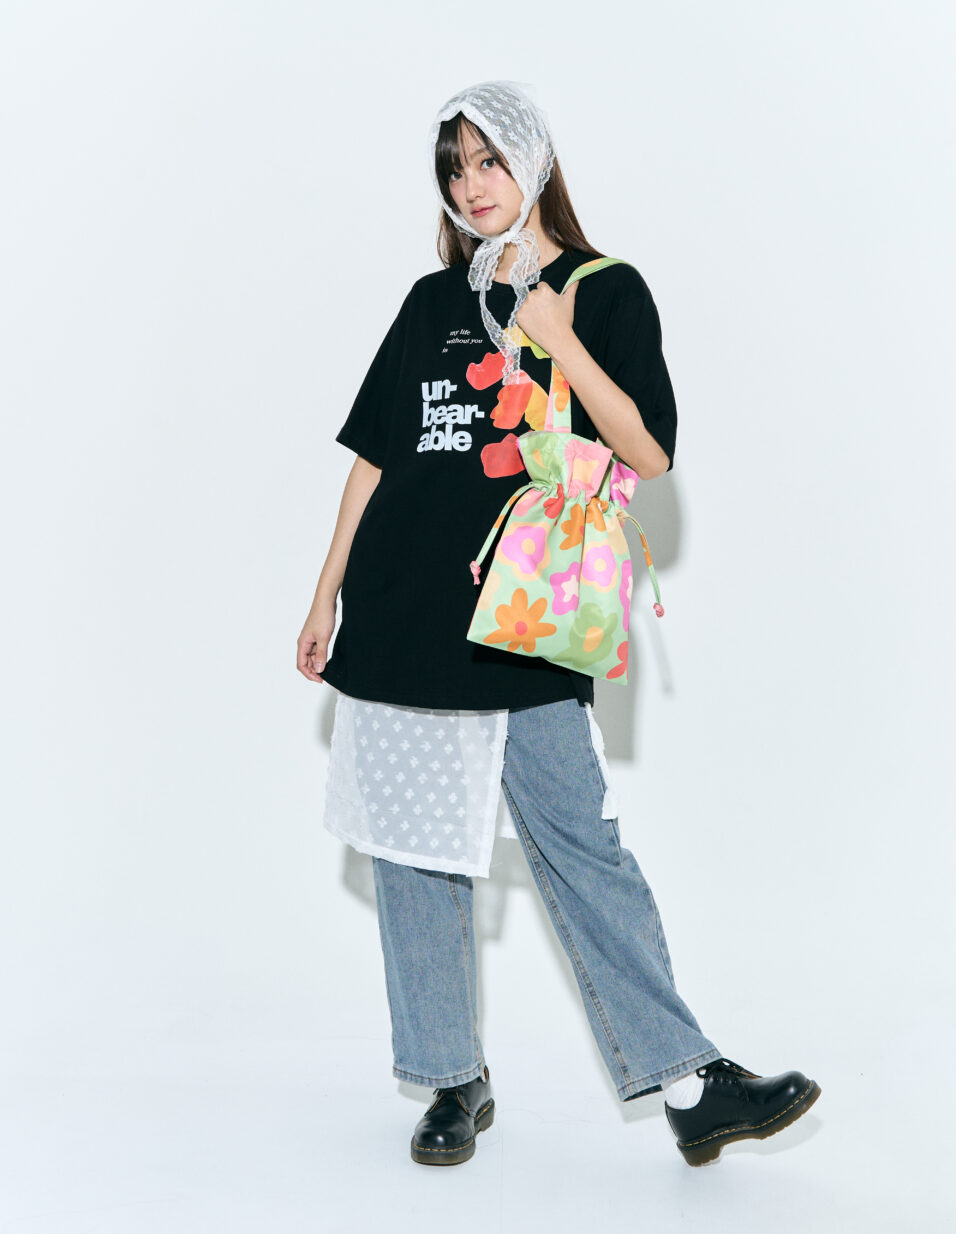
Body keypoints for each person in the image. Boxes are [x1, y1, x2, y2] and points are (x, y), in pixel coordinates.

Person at [297, 79, 821, 1168]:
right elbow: (376, 456)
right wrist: (324, 590)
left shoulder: (605, 289)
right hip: (399, 612)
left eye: (489, 161)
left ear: (532, 162)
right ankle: (449, 1078)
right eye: (455, 169)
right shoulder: (430, 302)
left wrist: (557, 337)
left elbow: (649, 451)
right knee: (414, 853)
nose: (471, 187)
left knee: (581, 847)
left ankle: (690, 1084)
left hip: (523, 619)